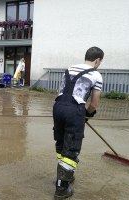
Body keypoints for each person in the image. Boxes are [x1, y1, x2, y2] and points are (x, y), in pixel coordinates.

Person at [52, 47, 104, 199]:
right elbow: (94, 103)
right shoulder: (96, 74)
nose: (99, 64)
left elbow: (61, 91)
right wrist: (87, 115)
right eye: (100, 62)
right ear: (97, 60)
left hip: (58, 107)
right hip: (74, 110)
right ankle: (61, 189)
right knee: (71, 149)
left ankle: (65, 175)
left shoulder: (69, 69)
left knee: (61, 144)